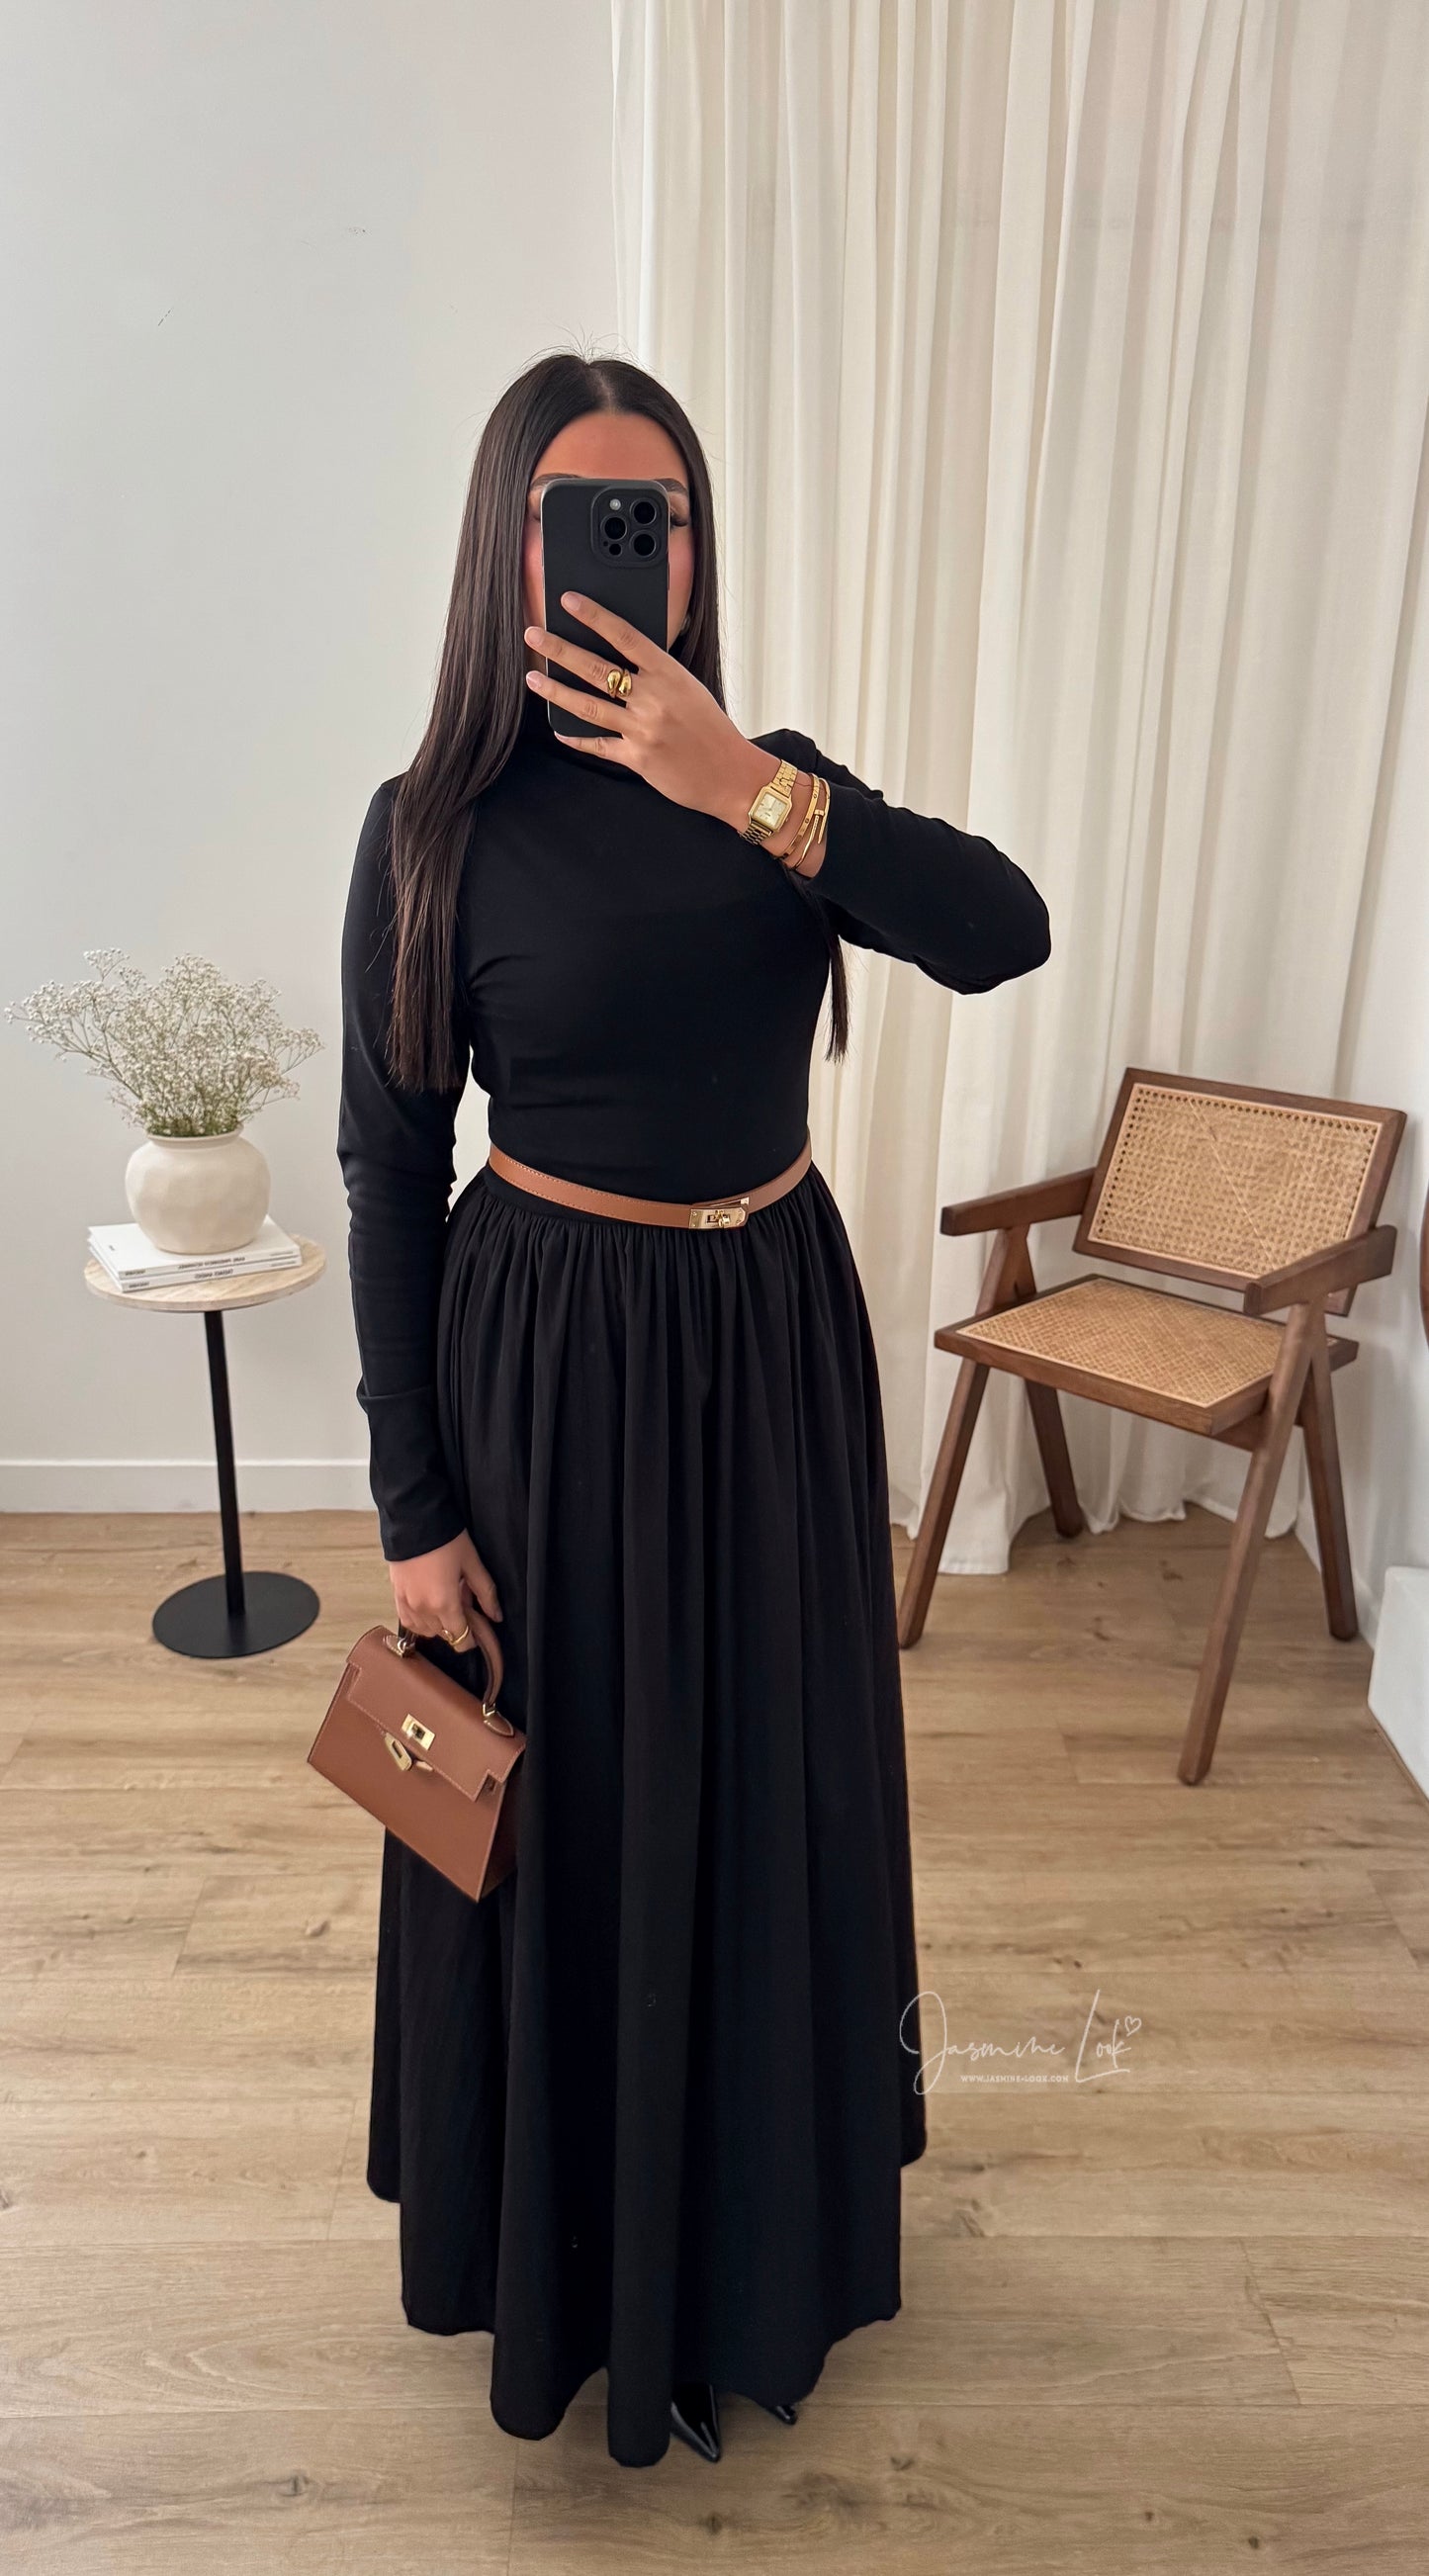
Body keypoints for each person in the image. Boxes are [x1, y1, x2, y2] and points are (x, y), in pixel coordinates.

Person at [336, 349, 1051, 2470]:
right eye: (580, 515)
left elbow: (1001, 935)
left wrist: (752, 786)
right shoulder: (427, 828)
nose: (622, 557)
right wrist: (409, 1504)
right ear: (507, 548)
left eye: (657, 519)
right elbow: (387, 1168)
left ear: (694, 551)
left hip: (768, 1347)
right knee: (547, 1802)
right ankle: (564, 2261)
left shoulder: (774, 790)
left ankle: (749, 2247)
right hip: (546, 1363)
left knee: (764, 1778)